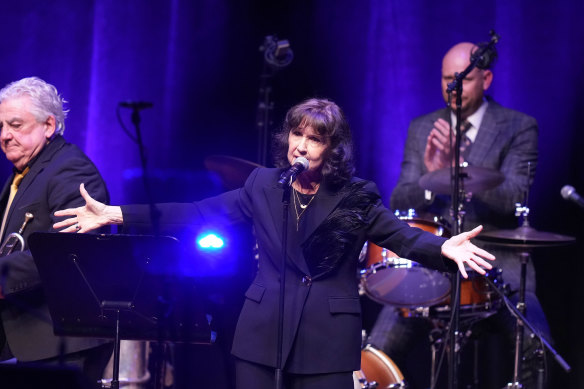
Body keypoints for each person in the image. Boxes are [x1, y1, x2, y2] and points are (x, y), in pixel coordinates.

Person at [53, 98, 495, 389]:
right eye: (297, 135)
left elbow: (399, 235)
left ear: (332, 148)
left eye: (315, 139)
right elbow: (199, 211)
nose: (301, 146)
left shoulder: (355, 196)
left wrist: (444, 249)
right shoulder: (264, 184)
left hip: (326, 336)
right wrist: (117, 213)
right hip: (261, 331)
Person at [368, 42, 549, 388]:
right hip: (431, 258)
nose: (452, 88)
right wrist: (431, 182)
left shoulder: (518, 126)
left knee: (536, 344)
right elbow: (399, 197)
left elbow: (513, 198)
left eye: (462, 80)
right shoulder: (423, 127)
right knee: (378, 352)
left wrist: (457, 171)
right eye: (446, 79)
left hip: (494, 257)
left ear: (487, 78)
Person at [0, 77, 112, 385]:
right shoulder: (25, 172)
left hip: (63, 336)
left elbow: (71, 248)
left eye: (16, 125)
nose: (5, 136)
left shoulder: (69, 169)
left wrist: (2, 274)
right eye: (1, 127)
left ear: (49, 126)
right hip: (34, 336)